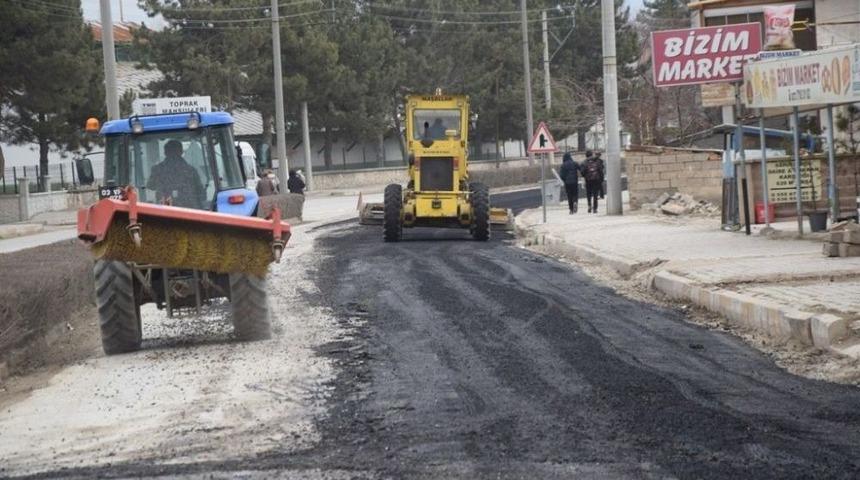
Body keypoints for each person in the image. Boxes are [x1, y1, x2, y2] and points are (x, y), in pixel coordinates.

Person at [147, 139, 206, 209]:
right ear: (181, 152)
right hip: (189, 210)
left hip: (165, 209)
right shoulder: (191, 170)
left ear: (165, 153)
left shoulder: (157, 170)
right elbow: (201, 193)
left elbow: (150, 186)